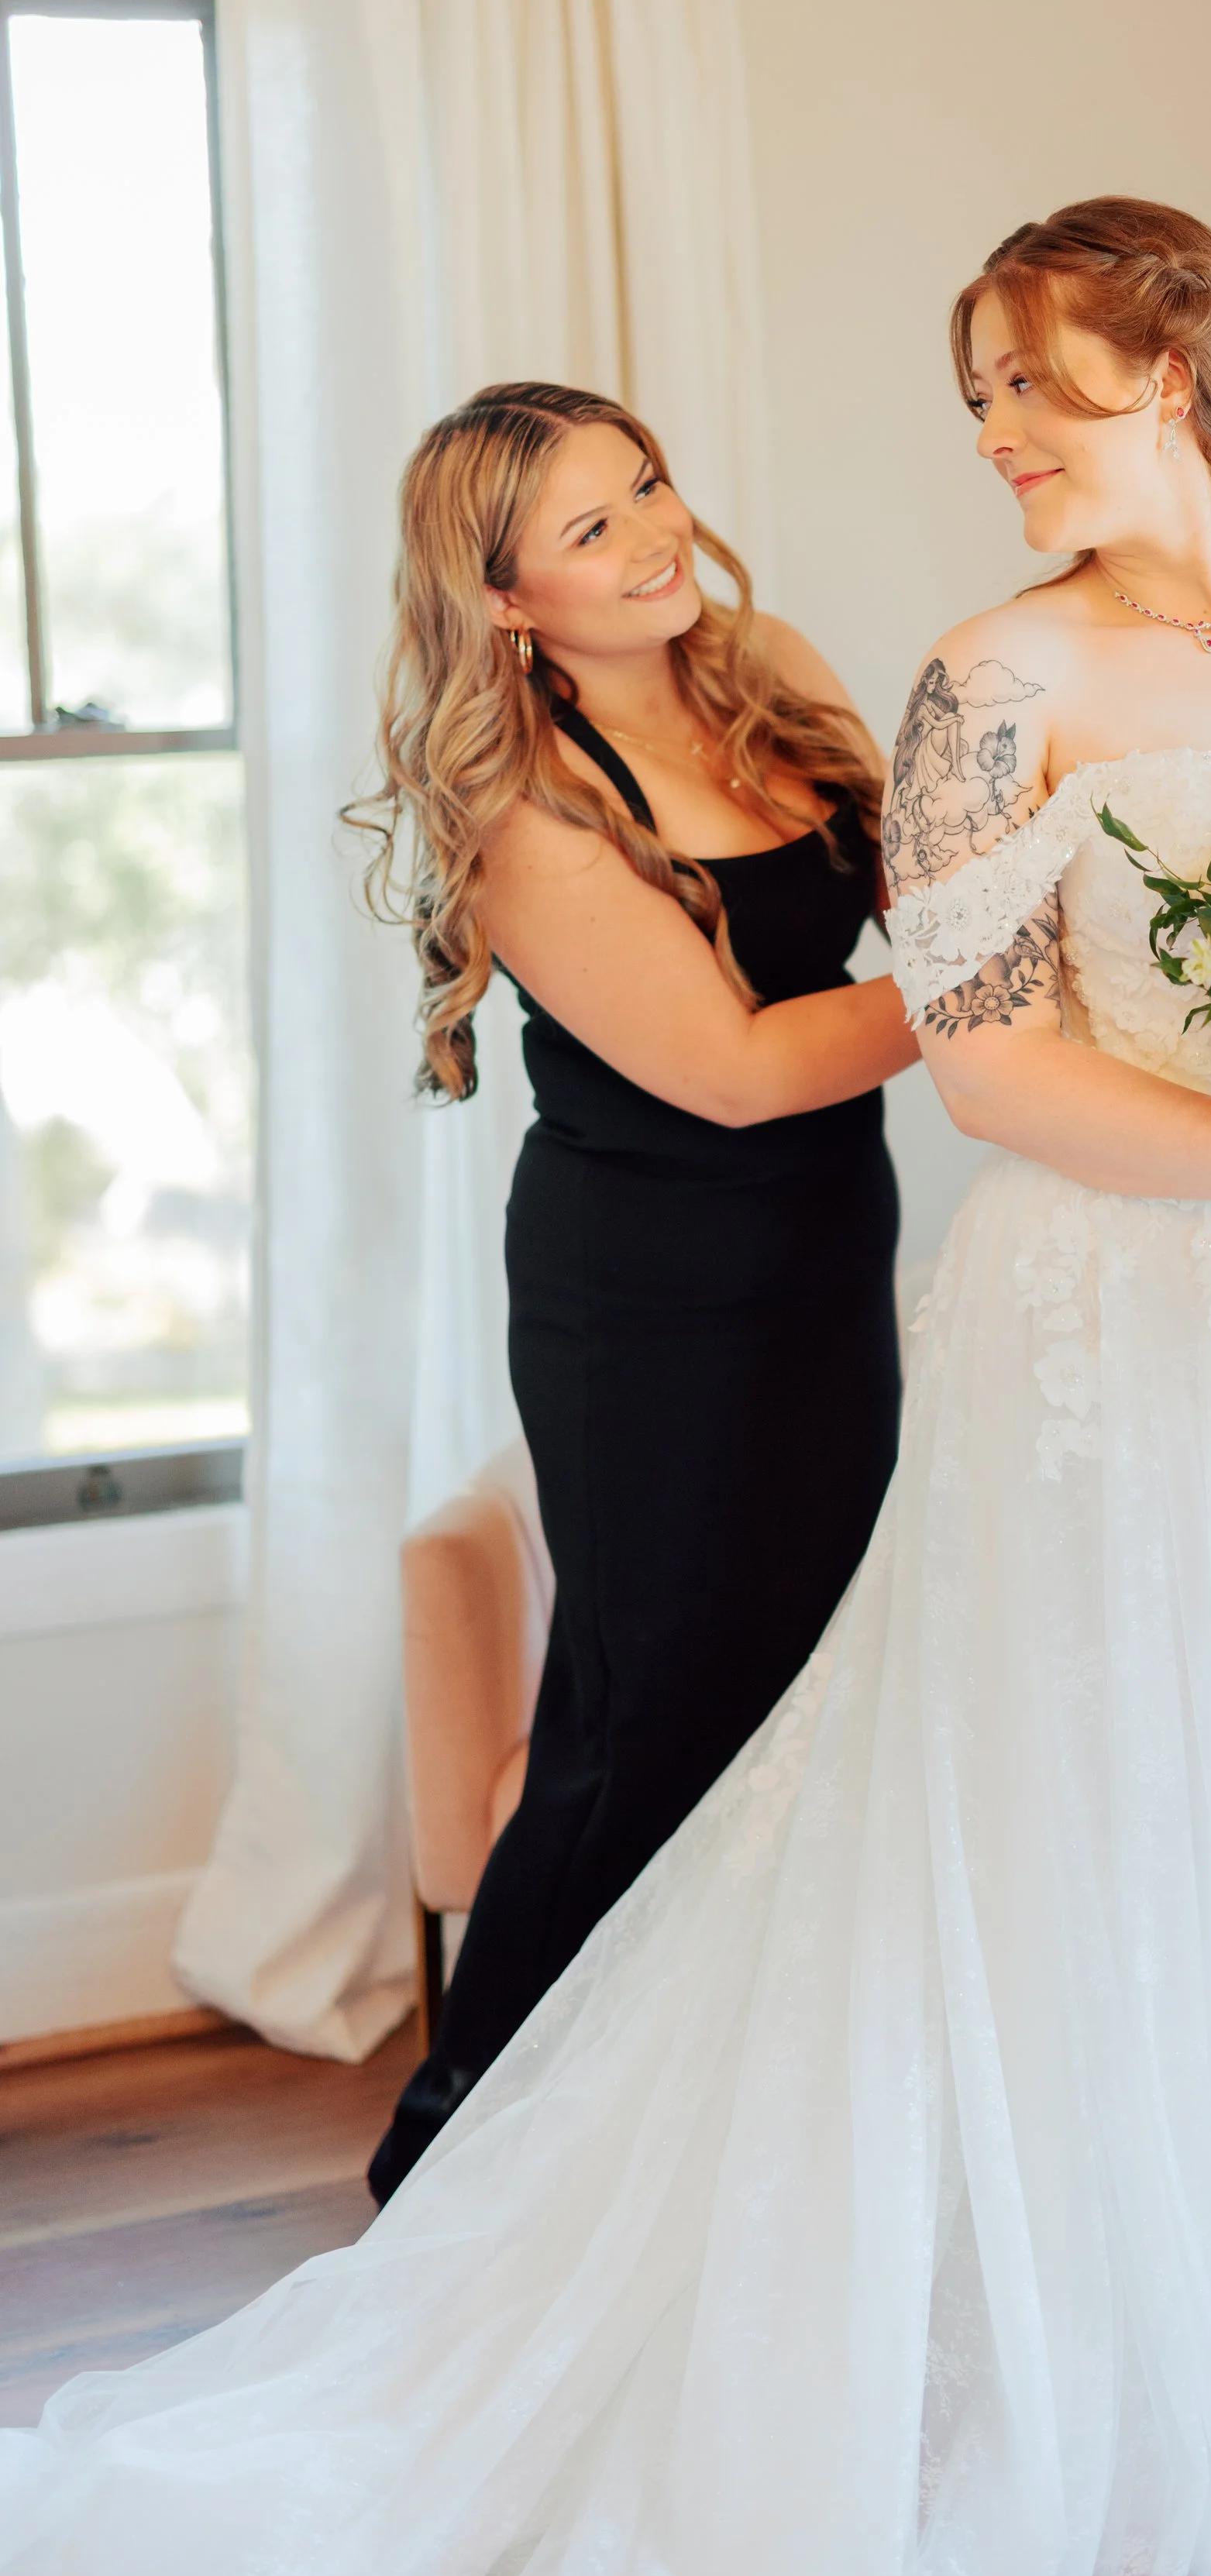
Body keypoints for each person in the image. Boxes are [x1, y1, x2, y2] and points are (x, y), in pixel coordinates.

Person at [0, 214, 1211, 2576]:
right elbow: (916, 1055)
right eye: (972, 398)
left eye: (1027, 388)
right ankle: (494, 2152)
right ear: (502, 600)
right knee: (720, 1727)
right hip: (732, 1280)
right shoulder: (949, 685)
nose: (990, 438)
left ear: (1177, 363)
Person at [353, 382, 917, 2199]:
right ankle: (457, 2142)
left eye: (648, 486)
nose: (652, 535)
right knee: (645, 1712)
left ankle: (708, 2127)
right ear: (505, 595)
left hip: (827, 1255)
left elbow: (920, 881)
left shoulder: (765, 664)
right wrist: (1001, 978)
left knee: (805, 1686)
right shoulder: (525, 804)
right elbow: (743, 1064)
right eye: (591, 528)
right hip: (647, 1304)